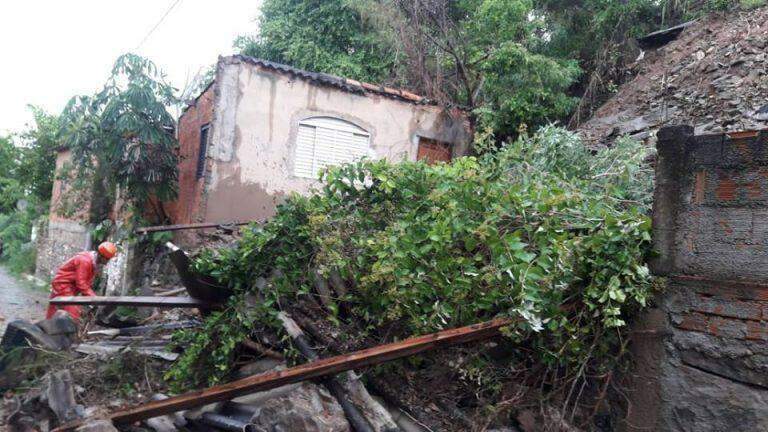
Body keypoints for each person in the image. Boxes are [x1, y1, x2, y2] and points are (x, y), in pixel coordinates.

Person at [46, 242, 118, 321]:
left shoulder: (92, 261)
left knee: (54, 308)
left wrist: (90, 298)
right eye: (107, 259)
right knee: (73, 313)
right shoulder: (85, 261)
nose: (107, 262)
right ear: (102, 256)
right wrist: (94, 298)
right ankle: (67, 331)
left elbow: (85, 282)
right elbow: (81, 283)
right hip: (63, 284)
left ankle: (47, 327)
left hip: (67, 284)